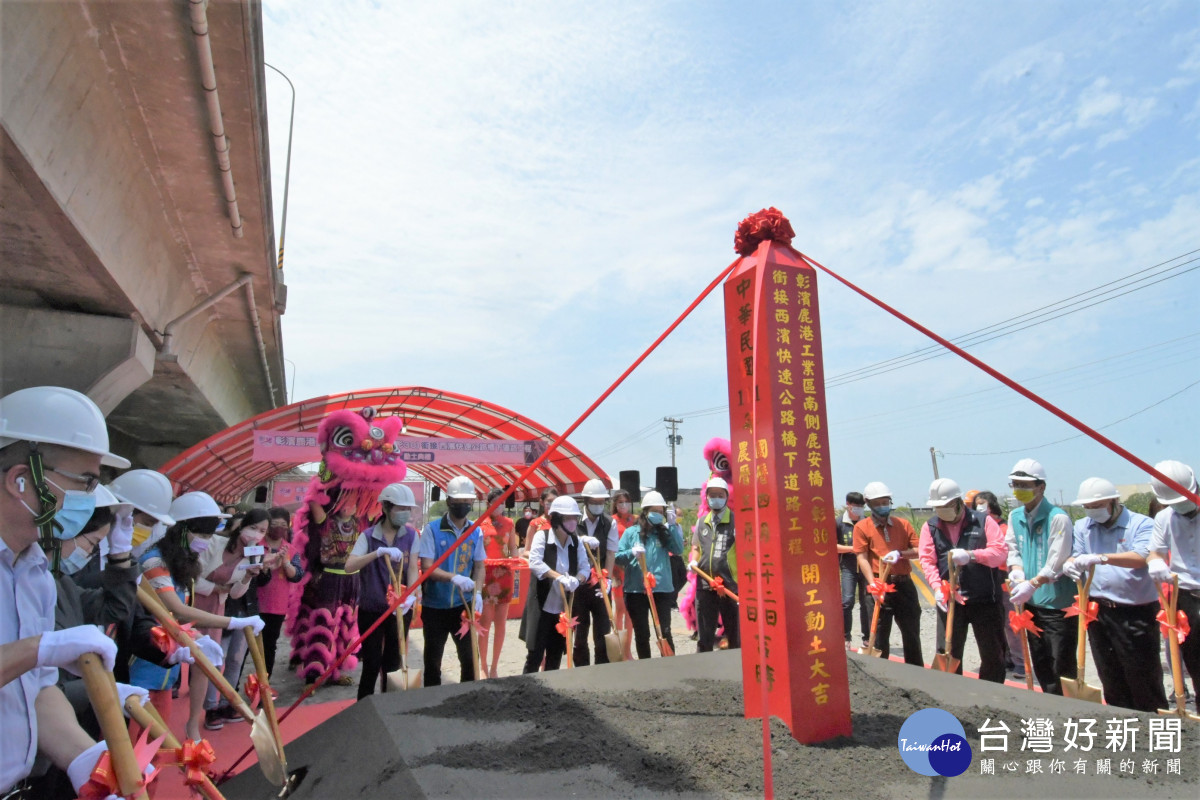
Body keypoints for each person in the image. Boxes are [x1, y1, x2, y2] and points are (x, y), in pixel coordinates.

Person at [0, 386, 136, 797]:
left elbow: (37, 690)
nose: (90, 498)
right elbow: (35, 660)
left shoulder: (37, 571)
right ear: (21, 480)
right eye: (85, 482)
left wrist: (88, 761)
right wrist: (38, 648)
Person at [130, 491, 257, 740]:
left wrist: (198, 636)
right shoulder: (153, 562)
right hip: (142, 665)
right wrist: (234, 621)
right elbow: (176, 609)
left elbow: (180, 616)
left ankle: (192, 725)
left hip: (166, 666)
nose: (205, 541)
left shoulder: (183, 564)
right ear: (180, 530)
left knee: (156, 746)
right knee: (136, 746)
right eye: (201, 534)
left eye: (210, 535)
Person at [1061, 477, 1165, 712]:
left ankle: (1154, 726)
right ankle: (1122, 724)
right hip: (1098, 611)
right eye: (1088, 507)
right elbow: (1076, 554)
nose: (1092, 511)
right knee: (1110, 673)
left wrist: (1102, 557)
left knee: (1142, 675)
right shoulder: (1082, 526)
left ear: (1114, 501)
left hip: (1135, 611)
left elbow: (1141, 557)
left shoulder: (1142, 524)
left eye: (1098, 506)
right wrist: (1070, 563)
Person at [917, 478, 1008, 682]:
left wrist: (972, 555)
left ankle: (993, 697)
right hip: (950, 600)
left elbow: (1000, 553)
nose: (942, 510)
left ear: (958, 502)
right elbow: (927, 560)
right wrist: (936, 587)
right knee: (948, 651)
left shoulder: (983, 521)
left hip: (984, 599)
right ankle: (951, 695)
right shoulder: (930, 527)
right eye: (938, 507)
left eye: (946, 506)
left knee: (993, 653)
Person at [1005, 458, 1076, 695]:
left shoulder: (1058, 518)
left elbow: (1057, 562)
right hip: (1030, 603)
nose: (1019, 490)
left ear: (1041, 487)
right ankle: (1049, 705)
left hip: (1057, 604)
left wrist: (1033, 583)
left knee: (1061, 664)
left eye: (1025, 485)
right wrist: (1016, 570)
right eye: (1015, 484)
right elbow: (1012, 547)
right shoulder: (1015, 516)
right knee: (1040, 661)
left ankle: (1069, 714)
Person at [196, 508, 269, 729]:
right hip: (195, 603)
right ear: (242, 526)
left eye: (262, 531)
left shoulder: (254, 554)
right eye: (253, 527)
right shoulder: (215, 543)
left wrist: (248, 575)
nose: (256, 534)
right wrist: (218, 588)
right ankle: (209, 707)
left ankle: (221, 706)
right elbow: (192, 578)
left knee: (218, 657)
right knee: (204, 658)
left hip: (217, 607)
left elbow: (235, 593)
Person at [345, 483, 418, 699]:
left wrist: (411, 596)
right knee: (371, 662)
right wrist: (376, 553)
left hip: (400, 609)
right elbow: (350, 566)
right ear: (385, 508)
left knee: (393, 663)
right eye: (400, 509)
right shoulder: (368, 536)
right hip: (372, 608)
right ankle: (364, 707)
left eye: (408, 509)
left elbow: (413, 567)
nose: (405, 514)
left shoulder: (412, 536)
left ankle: (390, 707)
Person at [418, 476, 486, 685]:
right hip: (435, 606)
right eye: (458, 501)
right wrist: (453, 577)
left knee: (468, 659)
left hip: (462, 607)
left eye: (467, 501)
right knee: (433, 661)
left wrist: (478, 593)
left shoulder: (476, 531)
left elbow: (480, 565)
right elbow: (427, 567)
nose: (463, 505)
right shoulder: (432, 529)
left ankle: (466, 699)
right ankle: (432, 702)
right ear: (448, 501)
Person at [1146, 460, 1200, 700]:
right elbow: (1155, 551)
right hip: (1186, 597)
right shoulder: (1164, 518)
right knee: (1195, 662)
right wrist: (1155, 562)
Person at [853, 481, 923, 666]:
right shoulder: (862, 527)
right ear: (868, 503)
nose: (883, 506)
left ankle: (917, 673)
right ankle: (883, 676)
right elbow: (862, 558)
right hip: (879, 585)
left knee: (912, 633)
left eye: (886, 502)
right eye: (878, 503)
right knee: (879, 636)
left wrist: (901, 554)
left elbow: (919, 549)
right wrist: (872, 584)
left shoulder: (903, 524)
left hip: (903, 584)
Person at [523, 496, 591, 672]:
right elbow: (535, 563)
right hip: (542, 605)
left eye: (574, 518)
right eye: (567, 518)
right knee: (535, 656)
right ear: (557, 519)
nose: (572, 522)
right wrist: (558, 577)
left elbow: (585, 567)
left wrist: (578, 579)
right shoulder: (542, 536)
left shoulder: (576, 542)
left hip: (563, 609)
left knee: (555, 655)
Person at [615, 490, 684, 659]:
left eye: (661, 512)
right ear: (645, 512)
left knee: (664, 631)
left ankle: (669, 665)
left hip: (661, 589)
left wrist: (673, 526)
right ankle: (645, 668)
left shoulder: (665, 532)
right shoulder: (631, 533)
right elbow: (617, 557)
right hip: (636, 590)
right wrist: (631, 552)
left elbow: (678, 549)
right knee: (642, 633)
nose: (658, 515)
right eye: (654, 511)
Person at [975, 490, 1024, 679]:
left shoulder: (1003, 528)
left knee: (1012, 622)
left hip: (1006, 576)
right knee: (997, 622)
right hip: (988, 578)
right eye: (977, 504)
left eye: (982, 503)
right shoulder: (979, 525)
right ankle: (1006, 657)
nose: (979, 507)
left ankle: (1020, 661)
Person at [689, 478, 739, 653]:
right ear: (706, 497)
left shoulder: (737, 520)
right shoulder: (702, 521)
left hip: (729, 586)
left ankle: (737, 673)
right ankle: (704, 673)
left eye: (720, 495)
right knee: (704, 635)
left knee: (735, 634)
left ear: (726, 497)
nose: (716, 498)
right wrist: (694, 559)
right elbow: (696, 546)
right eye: (712, 495)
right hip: (705, 584)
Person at [574, 479, 617, 666]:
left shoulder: (609, 523)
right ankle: (581, 669)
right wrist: (581, 539)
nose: (598, 506)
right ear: (585, 501)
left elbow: (610, 553)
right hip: (579, 584)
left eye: (602, 502)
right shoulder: (573, 519)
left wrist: (606, 579)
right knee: (580, 634)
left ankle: (602, 669)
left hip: (600, 585)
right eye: (595, 502)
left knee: (603, 632)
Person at [257, 507, 304, 678]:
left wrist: (285, 563)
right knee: (247, 647)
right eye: (274, 524)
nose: (278, 528)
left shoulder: (290, 550)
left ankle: (264, 684)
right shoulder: (256, 545)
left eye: (282, 525)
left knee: (269, 646)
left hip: (276, 606)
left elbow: (297, 576)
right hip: (253, 604)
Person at [478, 488, 518, 678]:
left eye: (502, 502)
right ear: (488, 504)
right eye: (496, 502)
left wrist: (517, 562)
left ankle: (494, 666)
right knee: (485, 621)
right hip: (485, 575)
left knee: (501, 623)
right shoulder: (480, 524)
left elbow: (513, 549)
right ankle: (483, 665)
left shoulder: (509, 523)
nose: (499, 506)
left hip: (505, 575)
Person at [836, 491, 869, 650]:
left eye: (862, 506)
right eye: (856, 506)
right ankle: (845, 637)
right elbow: (833, 546)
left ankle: (868, 638)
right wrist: (853, 548)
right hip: (848, 567)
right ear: (848, 505)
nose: (859, 509)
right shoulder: (839, 523)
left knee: (866, 602)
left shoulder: (867, 522)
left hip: (866, 567)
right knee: (847, 601)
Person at [610, 489, 636, 660]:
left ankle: (627, 651)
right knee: (620, 610)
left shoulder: (635, 520)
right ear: (615, 504)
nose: (624, 505)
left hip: (633, 571)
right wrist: (613, 574)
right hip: (618, 570)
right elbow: (610, 550)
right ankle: (618, 649)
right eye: (620, 502)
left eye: (626, 501)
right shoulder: (611, 522)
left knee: (631, 613)